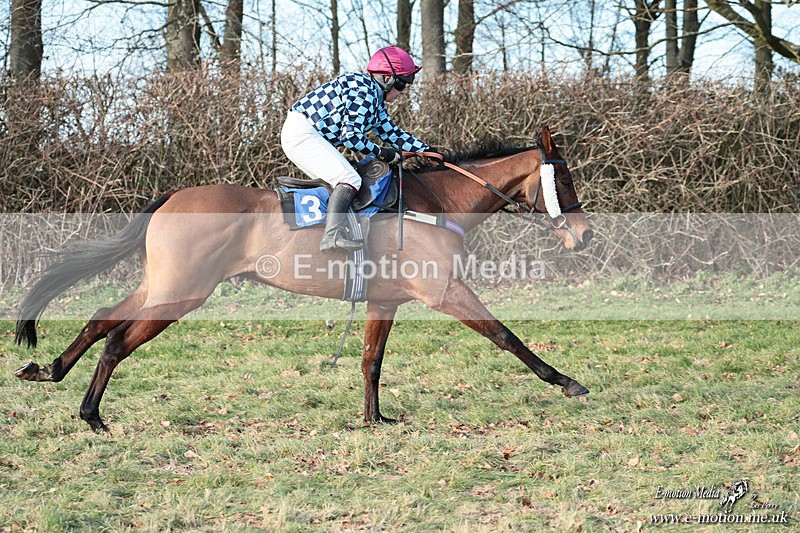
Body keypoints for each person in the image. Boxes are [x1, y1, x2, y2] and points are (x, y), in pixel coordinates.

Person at [281, 46, 434, 254]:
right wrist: (383, 153)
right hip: (303, 135)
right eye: (402, 84)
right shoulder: (364, 91)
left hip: (307, 134)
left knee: (345, 181)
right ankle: (331, 238)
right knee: (349, 179)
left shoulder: (374, 98)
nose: (403, 91)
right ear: (386, 78)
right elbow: (351, 137)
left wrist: (427, 151)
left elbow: (392, 134)